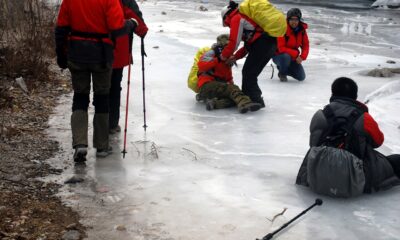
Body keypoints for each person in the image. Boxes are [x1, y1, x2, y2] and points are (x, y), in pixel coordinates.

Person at [55, 0, 138, 162]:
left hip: (77, 53)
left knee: (80, 97)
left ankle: (80, 144)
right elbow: (116, 28)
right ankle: (101, 146)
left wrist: (61, 55)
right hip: (101, 55)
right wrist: (131, 24)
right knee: (101, 98)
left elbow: (61, 29)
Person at [296, 77, 400, 194]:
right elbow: (378, 142)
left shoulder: (320, 115)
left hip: (317, 175)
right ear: (355, 96)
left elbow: (313, 145)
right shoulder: (364, 118)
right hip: (354, 178)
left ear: (333, 93)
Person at [220, 1, 279, 108]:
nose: (227, 26)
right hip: (269, 44)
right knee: (249, 73)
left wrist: (222, 56)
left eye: (225, 22)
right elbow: (248, 46)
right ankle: (249, 98)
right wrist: (235, 57)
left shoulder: (236, 18)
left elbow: (234, 43)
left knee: (249, 73)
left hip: (263, 45)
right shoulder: (247, 20)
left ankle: (256, 100)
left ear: (226, 16)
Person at [109, 0, 148, 134]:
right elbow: (137, 21)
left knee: (100, 88)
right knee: (114, 86)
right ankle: (112, 124)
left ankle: (101, 125)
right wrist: (141, 30)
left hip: (93, 49)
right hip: (116, 51)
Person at [197, 34, 261, 113]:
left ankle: (214, 103)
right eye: (227, 45)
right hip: (207, 85)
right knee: (232, 90)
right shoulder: (212, 53)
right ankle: (245, 104)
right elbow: (202, 66)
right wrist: (218, 58)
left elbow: (228, 78)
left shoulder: (227, 57)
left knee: (234, 97)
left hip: (217, 89)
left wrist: (233, 87)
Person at [273, 8, 309, 82]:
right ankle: (282, 73)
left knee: (301, 77)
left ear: (299, 20)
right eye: (291, 19)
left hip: (292, 57)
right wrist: (296, 54)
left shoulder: (301, 30)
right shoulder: (282, 28)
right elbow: (281, 48)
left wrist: (302, 57)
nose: (294, 22)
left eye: (296, 20)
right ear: (288, 19)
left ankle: (283, 68)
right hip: (279, 56)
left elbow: (306, 45)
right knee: (285, 57)